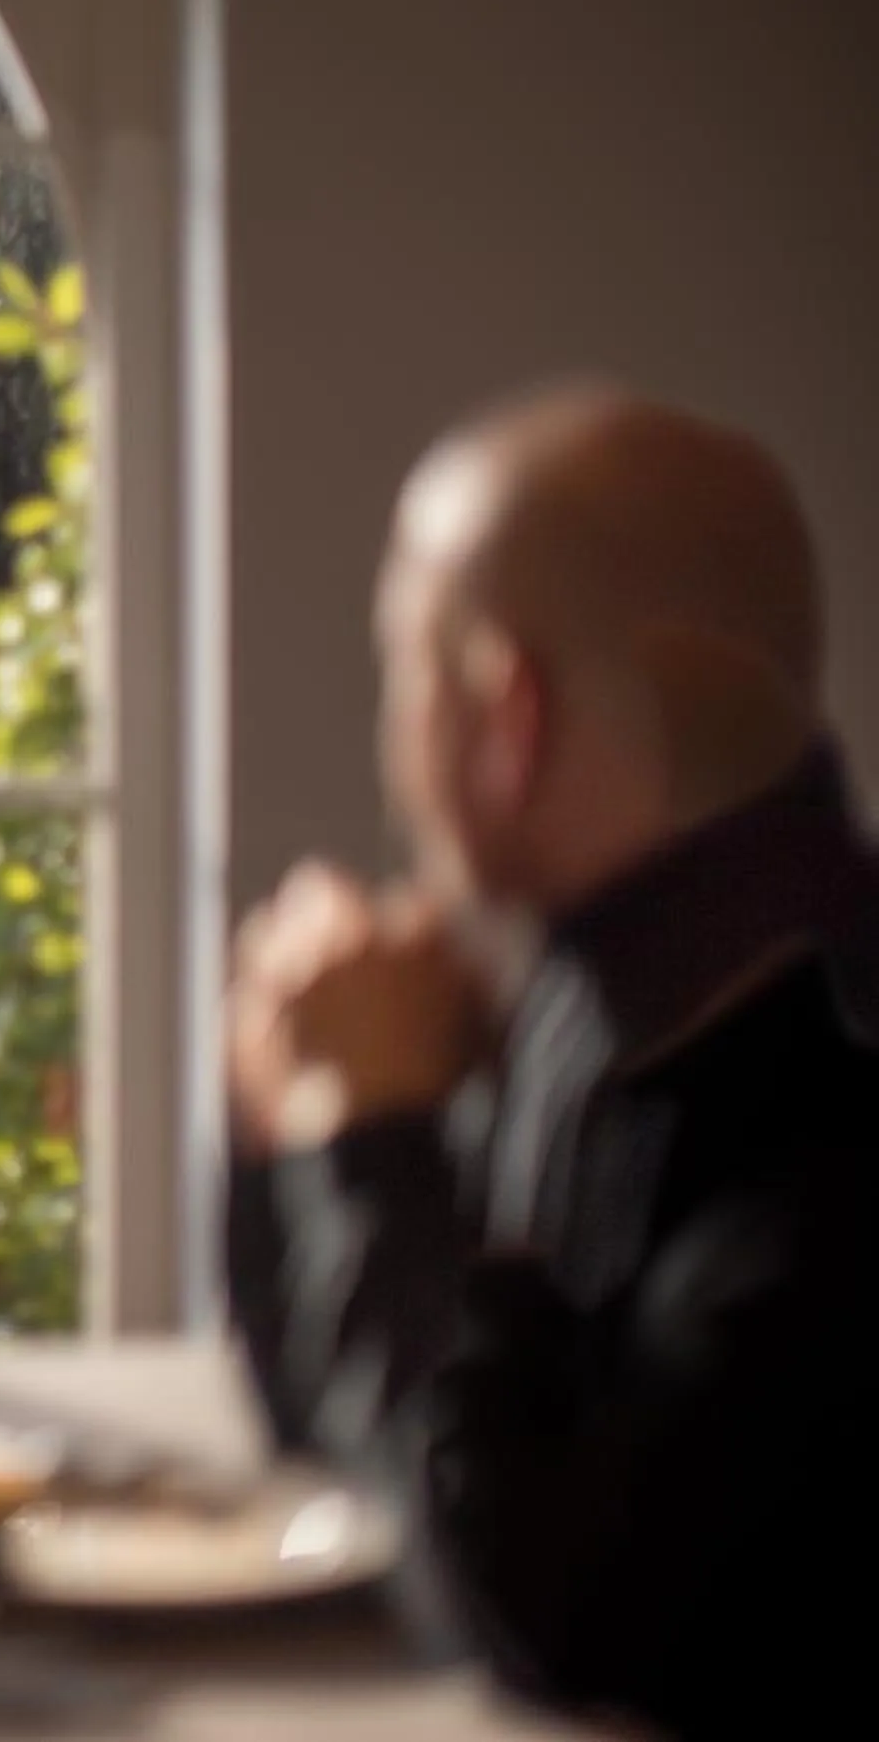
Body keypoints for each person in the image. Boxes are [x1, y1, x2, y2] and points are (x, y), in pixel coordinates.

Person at [225, 382, 878, 1736]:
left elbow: (549, 1615)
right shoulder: (606, 988)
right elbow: (361, 1459)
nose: (390, 738)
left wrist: (374, 1141)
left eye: (400, 660)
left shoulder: (804, 1073)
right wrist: (297, 1136)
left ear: (504, 713)